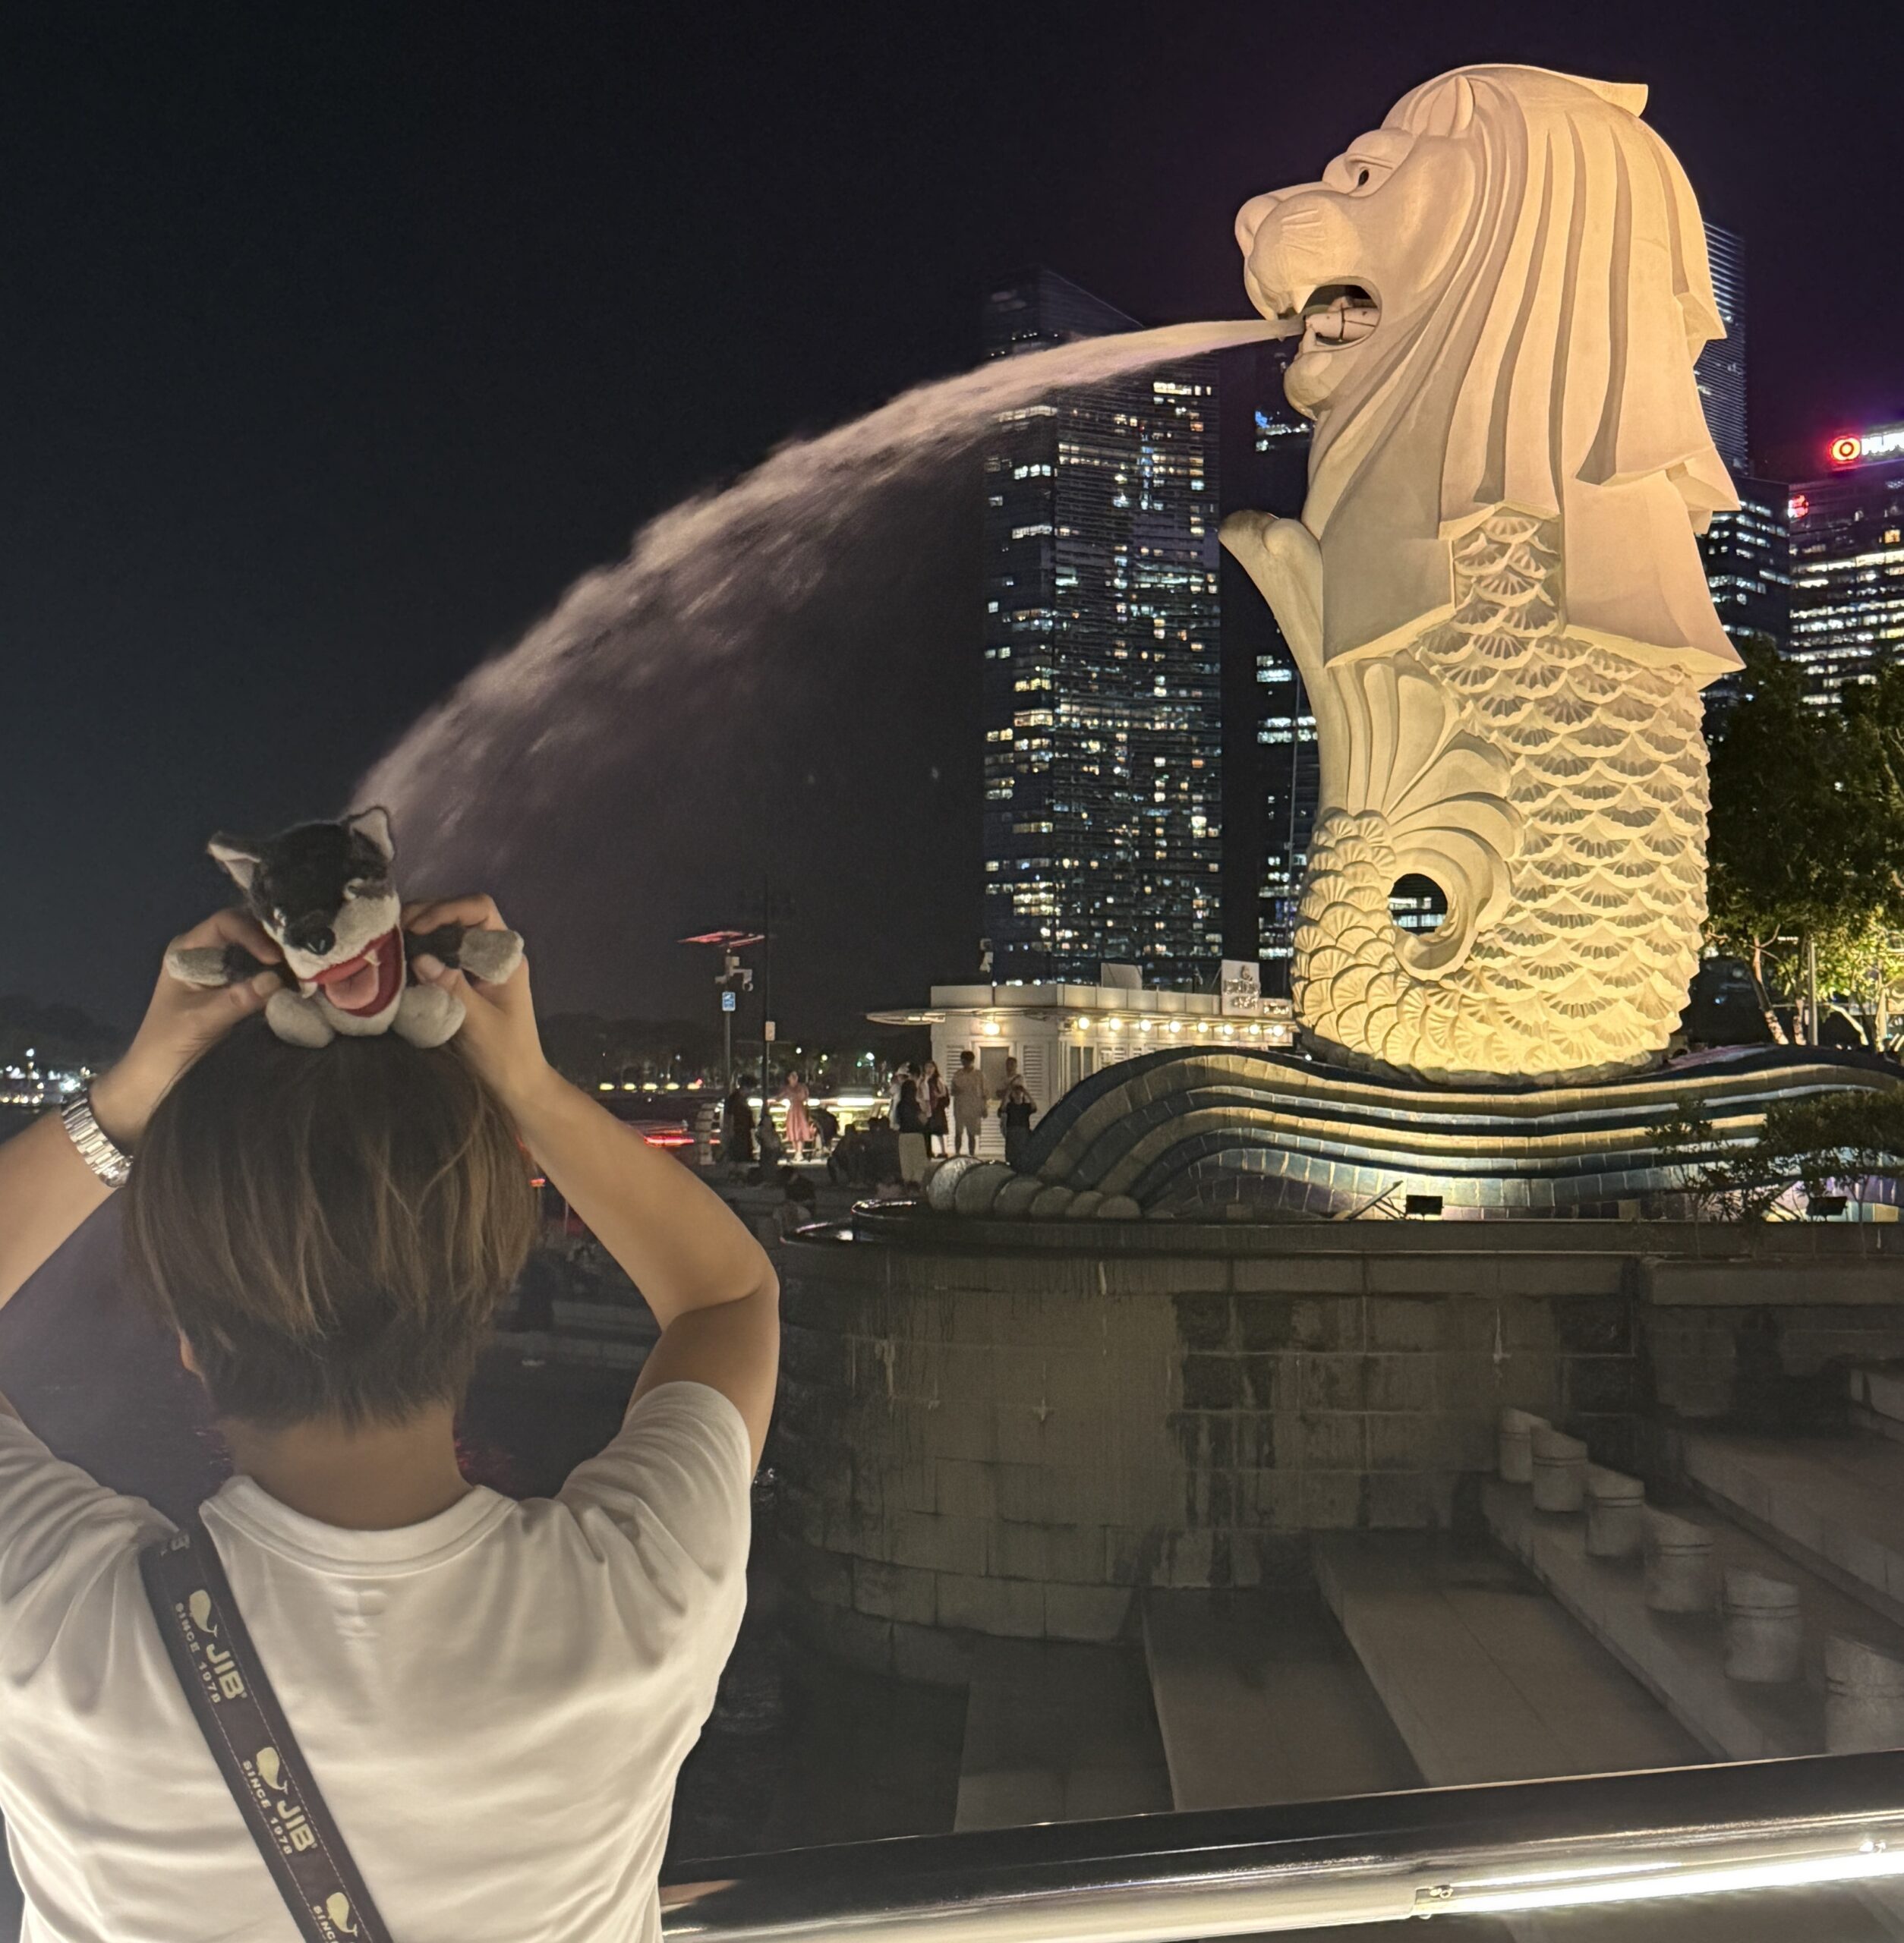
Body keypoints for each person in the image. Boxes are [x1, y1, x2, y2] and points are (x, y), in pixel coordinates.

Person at [0, 896, 779, 1941]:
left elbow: (726, 1301)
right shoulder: (639, 1607)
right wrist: (526, 1084)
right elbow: (728, 1298)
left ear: (184, 1332)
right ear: (491, 1292)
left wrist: (130, 1097)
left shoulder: (51, 1633)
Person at [950, 1048, 986, 1156]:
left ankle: (972, 1155)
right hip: (960, 1107)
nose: (965, 1063)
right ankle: (957, 1154)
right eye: (963, 1061)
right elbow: (952, 1091)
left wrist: (984, 1108)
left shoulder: (979, 1075)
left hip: (974, 1108)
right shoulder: (958, 1074)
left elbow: (984, 1092)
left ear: (972, 1061)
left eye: (967, 1061)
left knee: (971, 1134)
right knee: (958, 1133)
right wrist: (957, 1091)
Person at [894, 1071, 928, 1185]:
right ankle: (916, 1186)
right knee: (918, 1163)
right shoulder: (916, 1105)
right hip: (917, 1135)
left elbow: (896, 1121)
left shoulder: (900, 1105)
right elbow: (924, 1120)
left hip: (904, 1136)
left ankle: (907, 1185)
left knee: (906, 1162)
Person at [1001, 1074, 1039, 1166]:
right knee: (1011, 1154)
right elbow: (1002, 1108)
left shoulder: (1026, 1107)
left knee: (1022, 1153)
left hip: (1023, 1132)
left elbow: (1034, 1107)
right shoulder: (1010, 1106)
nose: (1018, 1094)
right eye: (1015, 1092)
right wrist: (1008, 1092)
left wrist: (1026, 1092)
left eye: (1019, 1092)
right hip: (1012, 1131)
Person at [722, 1073, 756, 1170]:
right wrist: (730, 1132)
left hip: (742, 1132)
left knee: (740, 1158)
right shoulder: (735, 1100)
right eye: (751, 1089)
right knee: (739, 1158)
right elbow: (730, 1117)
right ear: (745, 1088)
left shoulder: (738, 1099)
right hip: (738, 1133)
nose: (752, 1092)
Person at [780, 1069, 815, 1161]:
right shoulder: (787, 1089)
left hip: (800, 1111)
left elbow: (803, 1097)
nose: (794, 1078)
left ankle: (799, 1152)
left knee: (800, 1131)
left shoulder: (802, 1087)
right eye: (792, 1076)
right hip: (791, 1112)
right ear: (788, 1078)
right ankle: (797, 1152)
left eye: (796, 1076)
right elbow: (780, 1097)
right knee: (792, 1131)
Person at [919, 1059, 950, 1157]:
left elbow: (943, 1092)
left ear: (935, 1068)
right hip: (926, 1106)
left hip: (935, 1107)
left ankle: (943, 1151)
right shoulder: (923, 1079)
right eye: (927, 1067)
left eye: (931, 1067)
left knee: (938, 1129)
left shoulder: (937, 1079)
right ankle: (928, 1150)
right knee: (927, 1129)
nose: (929, 1069)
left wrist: (937, 1095)